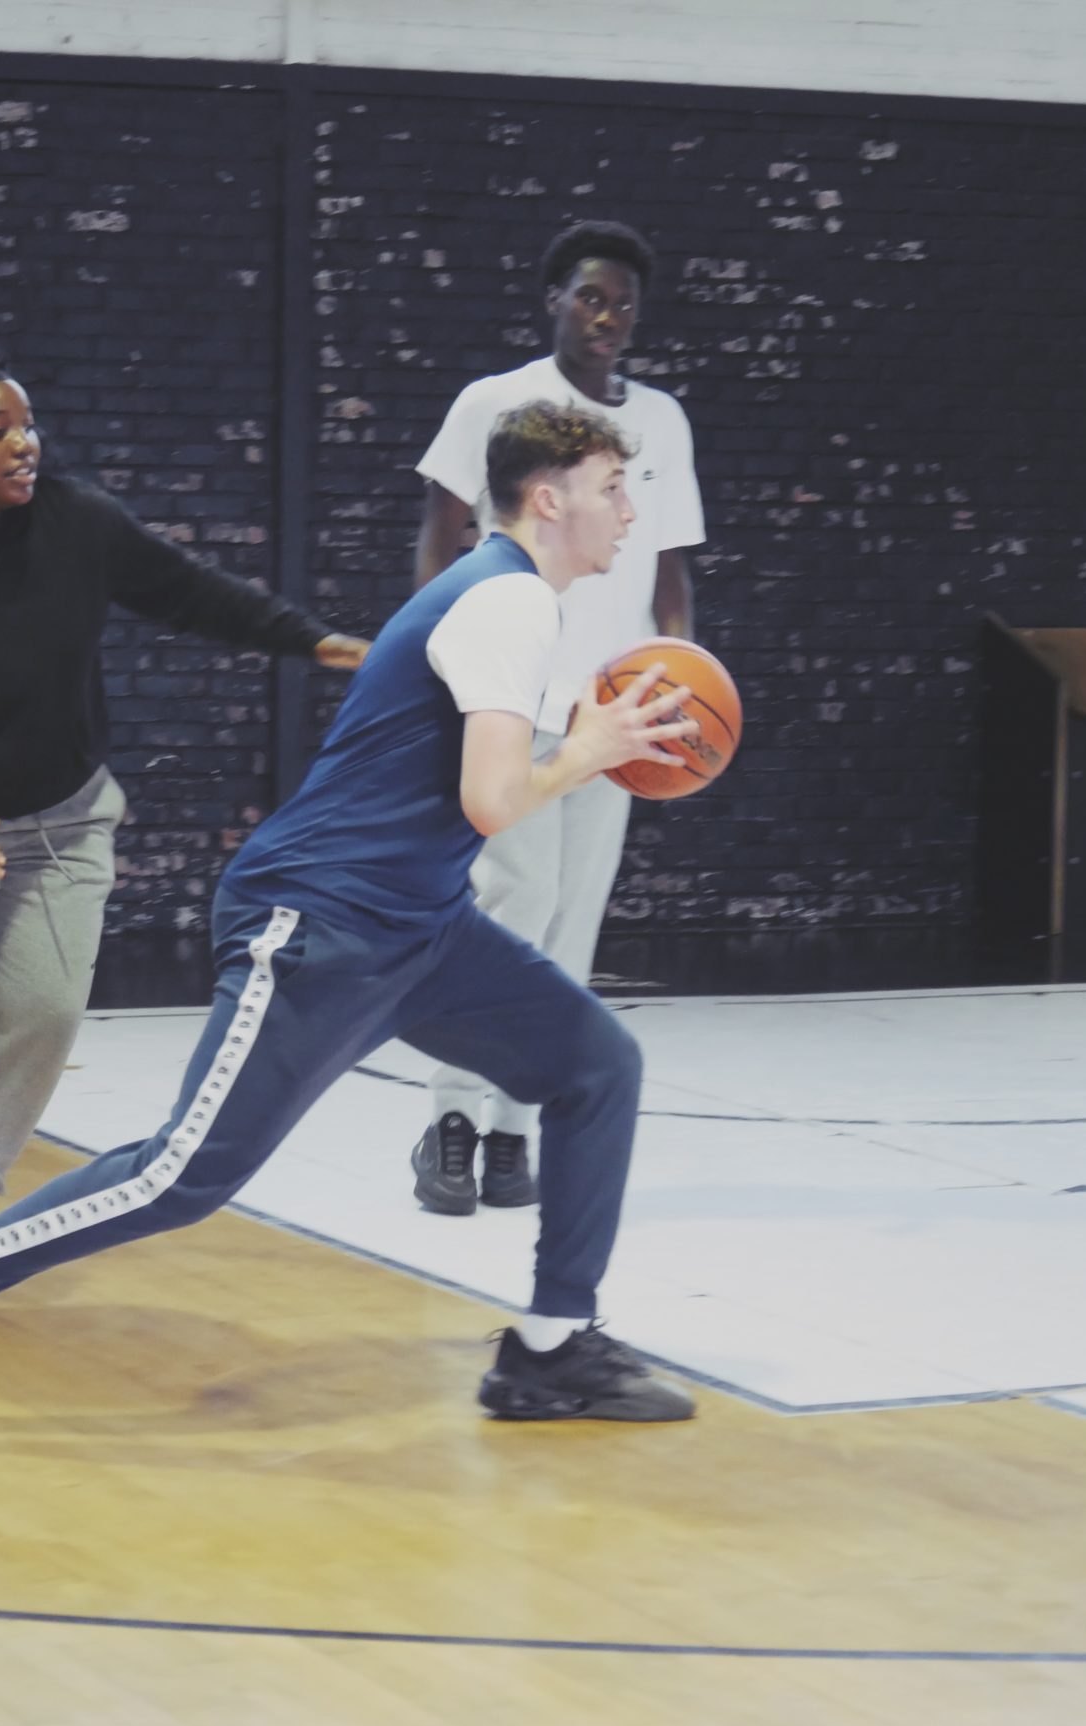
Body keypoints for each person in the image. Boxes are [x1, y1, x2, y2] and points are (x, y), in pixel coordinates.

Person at [0, 400, 701, 1439]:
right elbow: (492, 801)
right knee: (185, 1176)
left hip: (419, 927)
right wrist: (591, 749)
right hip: (319, 922)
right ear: (548, 498)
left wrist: (585, 745)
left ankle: (552, 1347)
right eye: (610, 487)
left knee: (596, 1066)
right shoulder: (505, 602)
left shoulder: (514, 598)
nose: (628, 509)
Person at [0, 343, 368, 1323]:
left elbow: (187, 590)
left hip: (60, 823)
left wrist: (314, 640)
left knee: (46, 1015)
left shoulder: (72, 524)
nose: (24, 444)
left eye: (28, 424)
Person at [405, 220, 706, 1215]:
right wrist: (448, 670)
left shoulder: (661, 421)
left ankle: (507, 1132)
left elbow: (671, 571)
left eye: (622, 301)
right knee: (509, 911)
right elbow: (438, 538)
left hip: (608, 719)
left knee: (570, 931)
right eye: (589, 296)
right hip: (515, 703)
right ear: (552, 300)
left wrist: (676, 688)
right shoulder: (496, 402)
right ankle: (448, 1118)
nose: (607, 315)